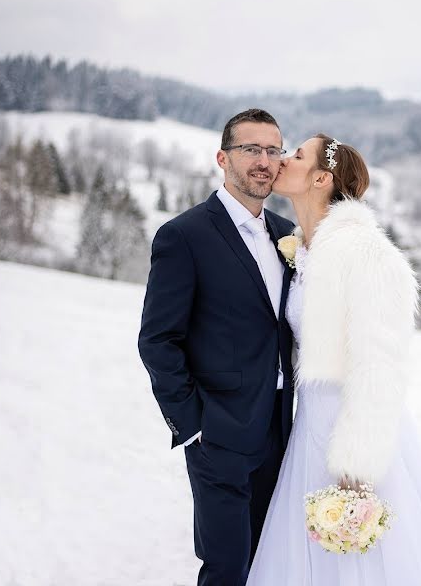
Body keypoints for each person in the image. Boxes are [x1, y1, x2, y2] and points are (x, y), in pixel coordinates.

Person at [246, 134, 421, 585]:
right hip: (308, 428)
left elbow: (380, 366)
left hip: (354, 437)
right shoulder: (303, 251)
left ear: (321, 178)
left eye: (295, 156)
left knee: (358, 561)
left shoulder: (369, 255)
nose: (281, 161)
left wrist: (357, 465)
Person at [138, 109, 296, 586]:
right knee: (227, 568)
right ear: (223, 158)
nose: (264, 161)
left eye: (273, 150)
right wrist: (192, 426)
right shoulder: (184, 236)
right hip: (219, 433)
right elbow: (158, 339)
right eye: (252, 149)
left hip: (283, 429)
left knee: (271, 561)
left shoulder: (289, 234)